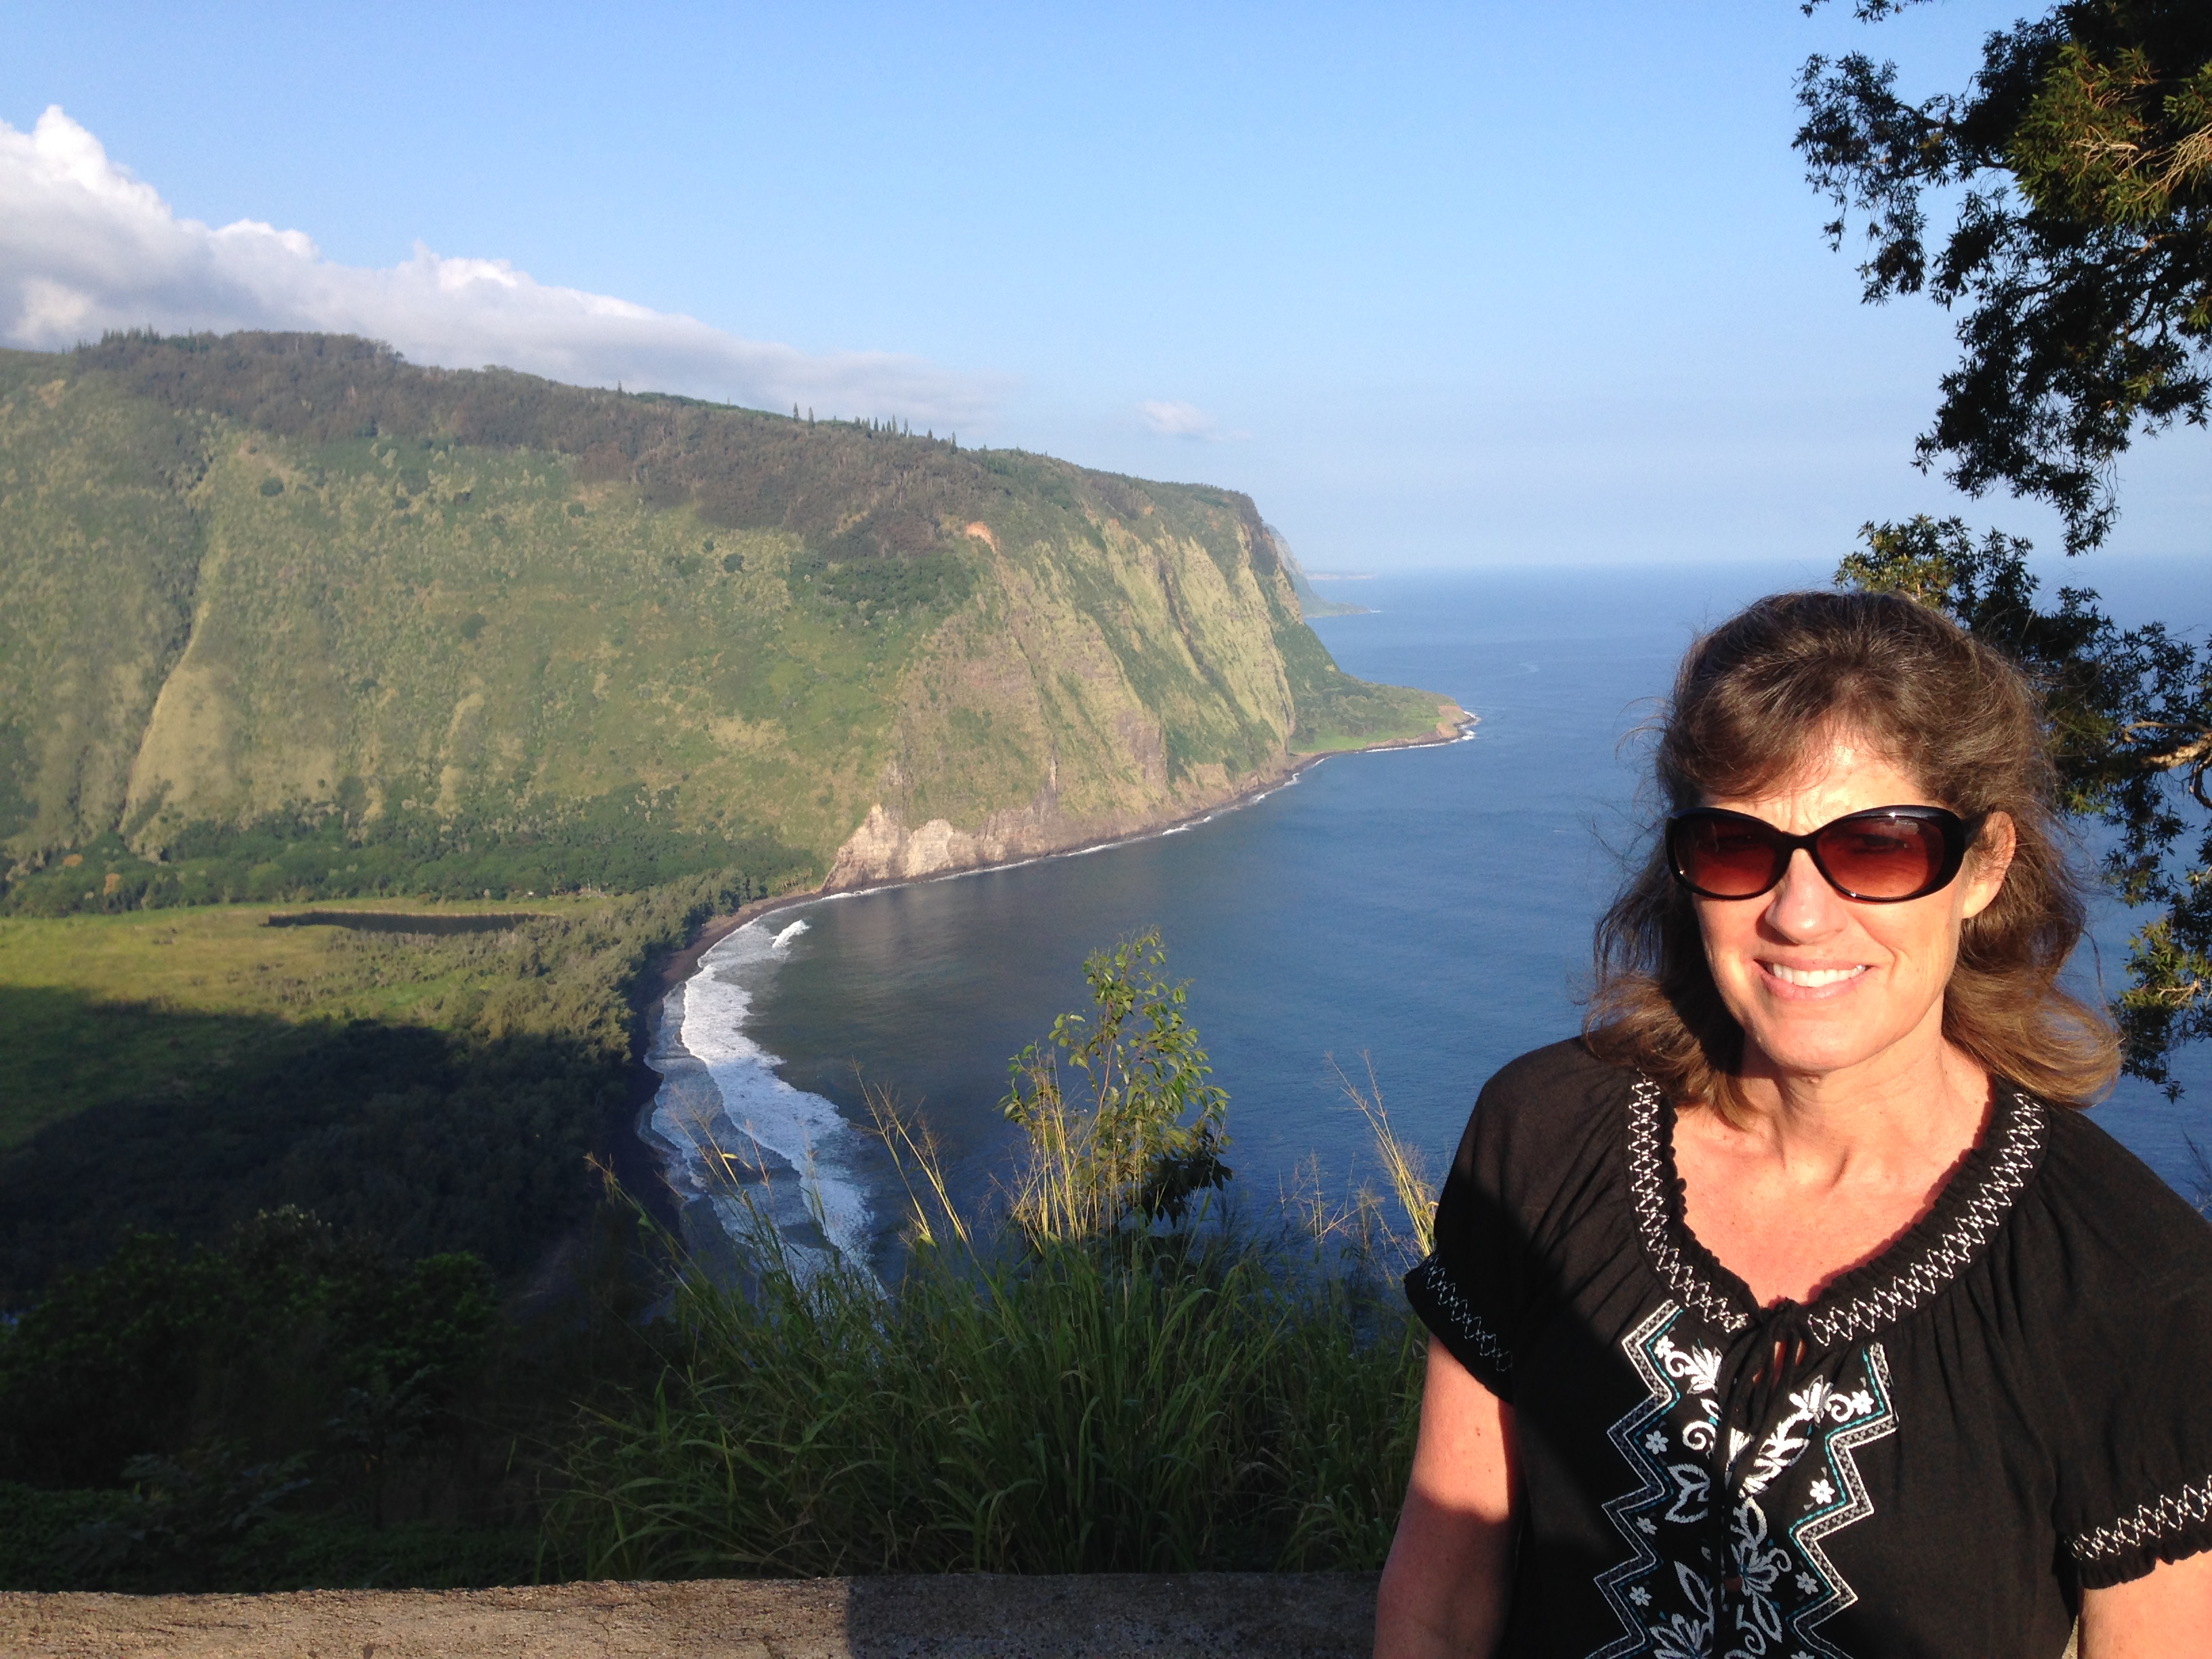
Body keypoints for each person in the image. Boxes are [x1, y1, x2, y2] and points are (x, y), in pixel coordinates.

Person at [1378, 591, 2212, 1658]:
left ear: (1984, 867)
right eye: (1736, 845)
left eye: (1878, 847)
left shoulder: (2124, 1276)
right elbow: (1443, 1594)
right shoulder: (1544, 1140)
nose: (1800, 913)